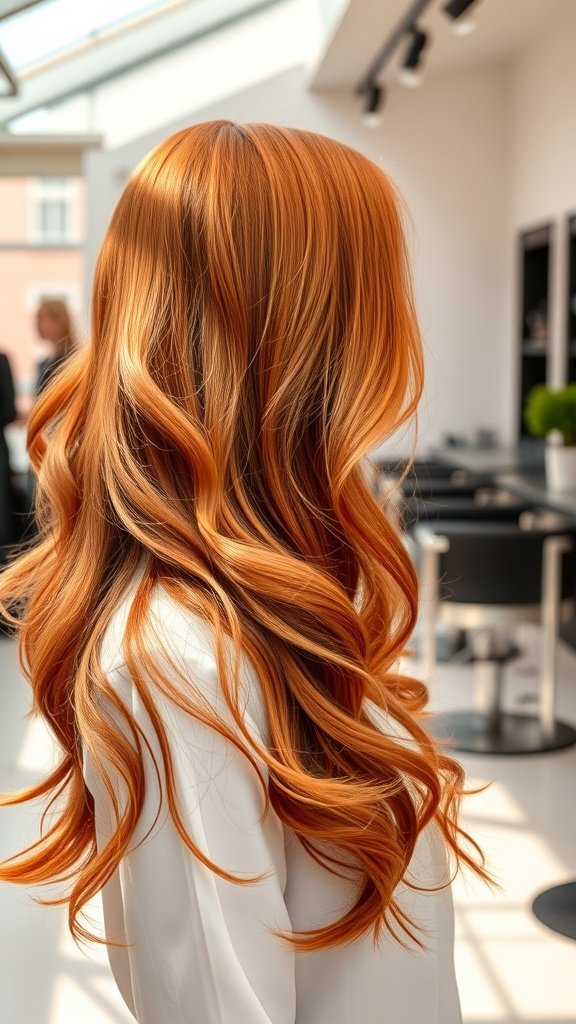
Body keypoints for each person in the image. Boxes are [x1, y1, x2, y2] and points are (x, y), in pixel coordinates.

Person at [0, 121, 490, 1024]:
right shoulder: (178, 666)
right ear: (301, 333)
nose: (398, 322)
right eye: (375, 289)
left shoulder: (256, 613)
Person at [34, 297, 77, 396]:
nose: (37, 324)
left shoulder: (73, 359)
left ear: (58, 321)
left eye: (41, 318)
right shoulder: (44, 363)